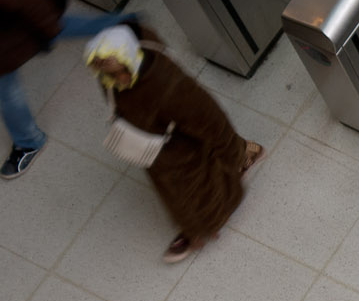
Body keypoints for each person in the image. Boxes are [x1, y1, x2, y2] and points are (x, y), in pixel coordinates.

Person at [85, 23, 264, 261]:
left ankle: (211, 218)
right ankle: (240, 158)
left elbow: (212, 120)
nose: (120, 80)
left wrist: (233, 154)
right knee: (180, 187)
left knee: (195, 189)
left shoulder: (167, 85)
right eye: (111, 75)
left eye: (121, 71)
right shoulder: (114, 78)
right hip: (157, 147)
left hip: (180, 151)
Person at [0, 0, 135, 179]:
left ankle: (29, 141)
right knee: (60, 27)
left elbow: (28, 1)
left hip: (14, 35)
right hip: (15, 29)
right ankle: (126, 21)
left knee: (7, 90)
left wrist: (47, 32)